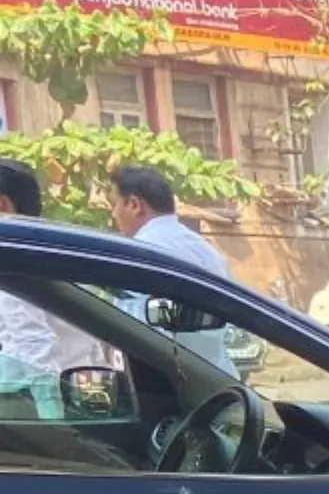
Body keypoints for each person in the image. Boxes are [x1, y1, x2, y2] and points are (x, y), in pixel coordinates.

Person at [108, 165, 235, 375]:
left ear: (134, 205)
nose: (113, 214)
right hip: (220, 380)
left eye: (114, 204)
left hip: (172, 387)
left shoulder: (138, 255)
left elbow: (135, 334)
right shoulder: (207, 251)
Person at [0, 160, 113, 378]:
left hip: (51, 397)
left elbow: (33, 350)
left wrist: (47, 411)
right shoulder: (45, 248)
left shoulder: (17, 259)